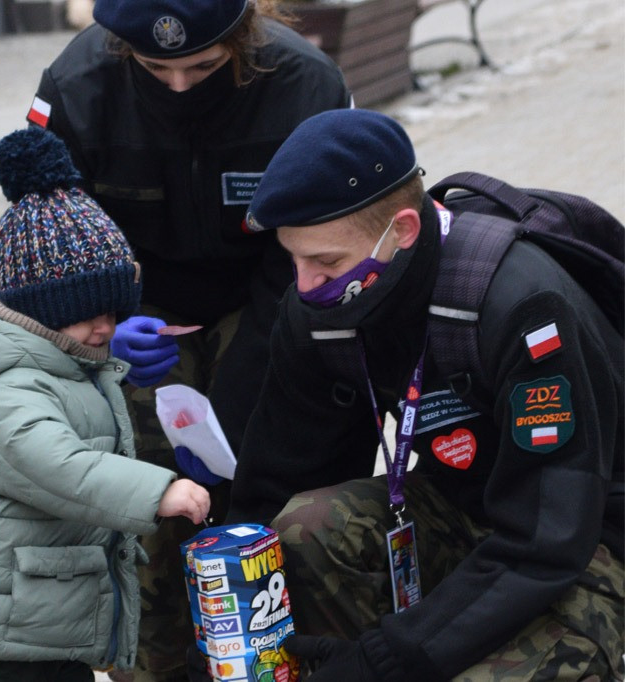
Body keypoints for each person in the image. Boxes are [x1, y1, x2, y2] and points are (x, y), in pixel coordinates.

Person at [228, 109, 624, 680]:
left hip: (590, 538)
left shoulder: (521, 305)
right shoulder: (320, 310)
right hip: (467, 505)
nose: (305, 284)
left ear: (405, 231)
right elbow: (279, 477)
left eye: (326, 261)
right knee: (305, 527)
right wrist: (240, 621)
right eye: (293, 258)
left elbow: (546, 537)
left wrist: (390, 656)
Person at [27, 1, 352, 676]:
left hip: (270, 292)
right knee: (142, 501)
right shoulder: (74, 88)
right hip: (138, 305)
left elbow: (319, 249)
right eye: (156, 67)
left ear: (242, 37)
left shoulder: (305, 84)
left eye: (203, 64)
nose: (179, 83)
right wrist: (110, 320)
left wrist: (243, 379)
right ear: (123, 50)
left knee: (261, 479)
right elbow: (55, 235)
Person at [0, 127, 211, 680]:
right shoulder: (10, 387)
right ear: (36, 311)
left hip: (43, 617)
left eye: (114, 310)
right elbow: (61, 467)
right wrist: (158, 490)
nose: (104, 327)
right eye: (85, 313)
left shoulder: (68, 367)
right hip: (4, 631)